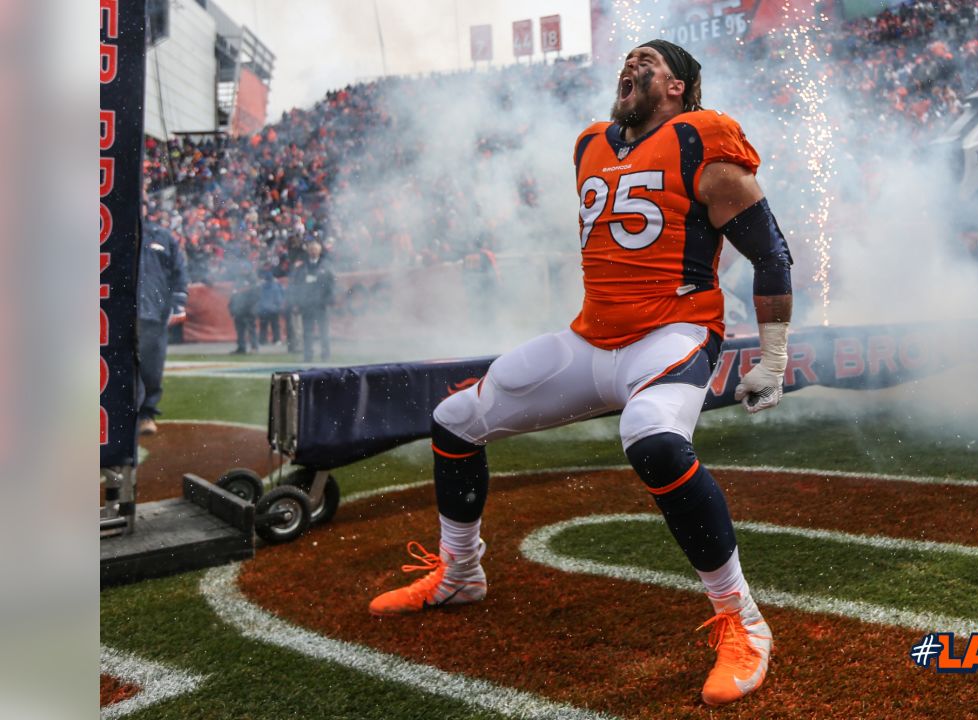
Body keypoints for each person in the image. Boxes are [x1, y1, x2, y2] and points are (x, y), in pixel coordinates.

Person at [369, 40, 793, 707]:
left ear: (678, 86)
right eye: (626, 60)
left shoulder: (703, 140)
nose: (629, 67)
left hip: (672, 335)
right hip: (591, 338)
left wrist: (771, 357)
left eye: (646, 61)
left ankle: (742, 620)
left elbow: (771, 255)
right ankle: (461, 572)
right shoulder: (589, 144)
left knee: (653, 439)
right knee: (455, 421)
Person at [136, 216, 189, 436]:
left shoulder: (163, 237)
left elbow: (179, 271)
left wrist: (178, 303)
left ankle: (146, 413)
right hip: (123, 311)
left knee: (152, 367)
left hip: (154, 313)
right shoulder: (115, 233)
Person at [290, 238, 335, 361]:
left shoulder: (326, 265)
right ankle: (308, 356)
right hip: (307, 304)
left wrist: (329, 300)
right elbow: (296, 286)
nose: (313, 252)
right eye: (311, 249)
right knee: (307, 332)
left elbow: (331, 284)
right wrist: (296, 303)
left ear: (319, 251)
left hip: (321, 305)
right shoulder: (302, 267)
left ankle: (326, 356)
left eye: (315, 249)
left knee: (324, 332)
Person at [227, 272, 260, 355]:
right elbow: (232, 299)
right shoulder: (238, 287)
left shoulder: (252, 287)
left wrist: (246, 308)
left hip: (248, 312)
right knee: (240, 331)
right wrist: (232, 309)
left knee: (251, 330)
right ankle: (241, 347)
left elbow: (254, 300)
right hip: (239, 312)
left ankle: (254, 347)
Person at [256, 270, 285, 345]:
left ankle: (262, 340)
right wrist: (278, 306)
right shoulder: (276, 286)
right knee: (275, 325)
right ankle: (277, 340)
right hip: (274, 309)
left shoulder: (260, 287)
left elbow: (257, 298)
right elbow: (279, 298)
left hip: (263, 310)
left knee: (263, 326)